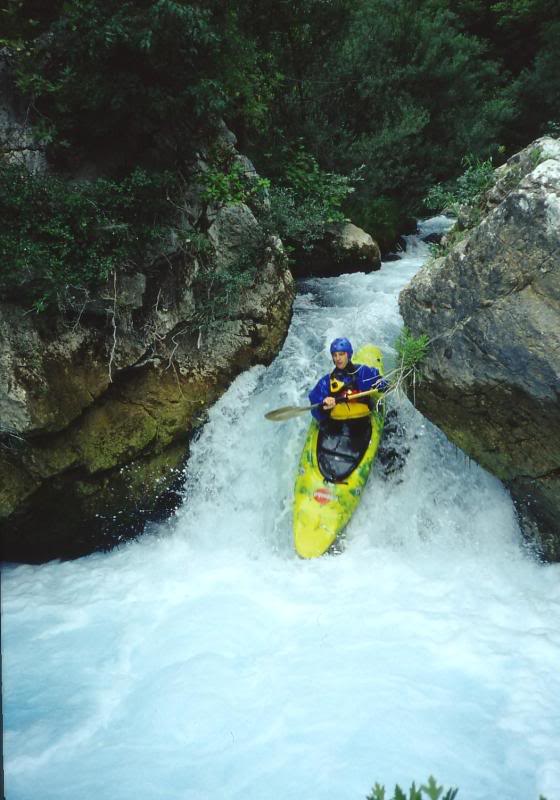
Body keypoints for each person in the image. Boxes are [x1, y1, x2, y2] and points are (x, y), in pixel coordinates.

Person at [308, 337, 387, 423]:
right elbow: (315, 402)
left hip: (363, 421)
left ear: (348, 355)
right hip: (336, 425)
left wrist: (382, 385)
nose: (338, 358)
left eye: (341, 354)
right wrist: (323, 404)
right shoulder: (326, 381)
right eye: (335, 355)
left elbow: (381, 381)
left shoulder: (363, 372)